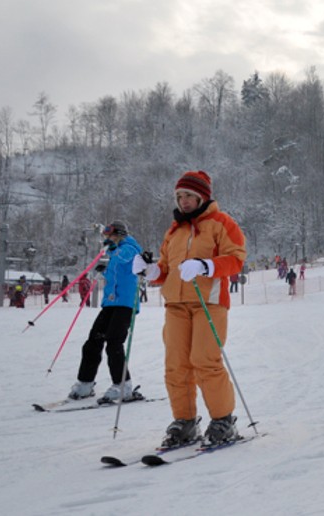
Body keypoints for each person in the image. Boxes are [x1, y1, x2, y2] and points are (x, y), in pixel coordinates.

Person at [133, 170, 247, 449]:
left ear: (202, 196)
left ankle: (223, 420)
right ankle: (184, 421)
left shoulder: (221, 223)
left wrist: (206, 266)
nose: (183, 201)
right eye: (180, 196)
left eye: (189, 196)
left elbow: (236, 259)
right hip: (175, 305)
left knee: (205, 360)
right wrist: (149, 271)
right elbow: (166, 270)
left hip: (209, 302)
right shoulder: (174, 230)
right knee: (176, 365)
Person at [68, 221, 144, 402]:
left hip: (125, 303)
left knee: (114, 342)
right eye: (106, 236)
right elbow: (116, 274)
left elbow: (124, 257)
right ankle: (85, 382)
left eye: (109, 236)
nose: (107, 239)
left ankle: (123, 384)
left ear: (119, 234)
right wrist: (104, 271)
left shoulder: (130, 247)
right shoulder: (116, 250)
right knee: (93, 340)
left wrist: (110, 250)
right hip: (110, 303)